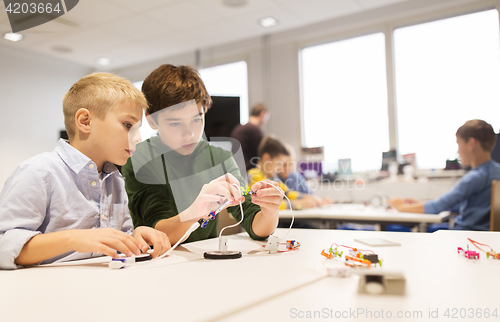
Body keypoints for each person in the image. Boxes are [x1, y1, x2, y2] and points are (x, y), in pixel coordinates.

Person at [0, 73, 170, 270]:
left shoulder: (114, 180)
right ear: (85, 121)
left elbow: (111, 240)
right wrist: (74, 238)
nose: (138, 137)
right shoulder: (38, 172)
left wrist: (134, 237)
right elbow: (4, 244)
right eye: (127, 125)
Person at [121, 64, 281, 245]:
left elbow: (254, 223)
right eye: (175, 123)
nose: (189, 133)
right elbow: (157, 232)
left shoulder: (220, 158)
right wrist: (194, 212)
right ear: (151, 120)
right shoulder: (138, 159)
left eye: (197, 119)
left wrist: (269, 212)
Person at [388, 119, 500, 231]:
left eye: (459, 144)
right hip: (482, 237)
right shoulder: (496, 172)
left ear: (471, 144)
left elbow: (437, 207)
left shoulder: (475, 177)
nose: (458, 151)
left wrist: (401, 206)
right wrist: (420, 203)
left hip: (464, 236)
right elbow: (459, 205)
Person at [248, 135, 327, 210]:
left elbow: (287, 192)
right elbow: (268, 204)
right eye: (279, 164)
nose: (280, 169)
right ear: (266, 158)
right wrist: (297, 204)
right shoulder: (255, 176)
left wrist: (309, 197)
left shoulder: (272, 177)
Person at [230, 103, 269, 171]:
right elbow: (263, 152)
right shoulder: (255, 130)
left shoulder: (238, 128)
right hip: (248, 170)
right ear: (263, 114)